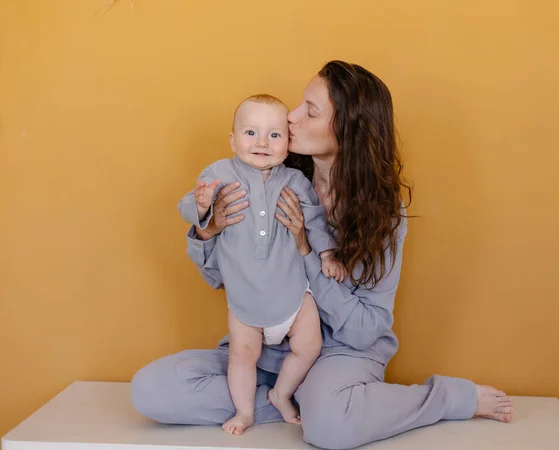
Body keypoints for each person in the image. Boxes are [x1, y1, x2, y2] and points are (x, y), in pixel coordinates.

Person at [131, 60, 514, 450]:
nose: (291, 118)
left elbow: (365, 329)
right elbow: (218, 277)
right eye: (298, 105)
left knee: (330, 429)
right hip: (267, 345)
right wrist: (206, 230)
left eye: (310, 111)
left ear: (349, 130)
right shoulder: (275, 176)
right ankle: (302, 401)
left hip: (340, 353)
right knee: (153, 390)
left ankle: (442, 398)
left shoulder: (382, 213)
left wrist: (305, 249)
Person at [177, 94, 345, 435]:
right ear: (233, 139)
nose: (262, 143)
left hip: (294, 294)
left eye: (274, 135)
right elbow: (187, 205)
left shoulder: (295, 181)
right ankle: (245, 412)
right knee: (242, 356)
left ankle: (281, 394)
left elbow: (313, 221)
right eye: (251, 133)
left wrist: (327, 254)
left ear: (288, 143)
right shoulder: (219, 174)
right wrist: (201, 204)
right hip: (245, 301)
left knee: (309, 345)